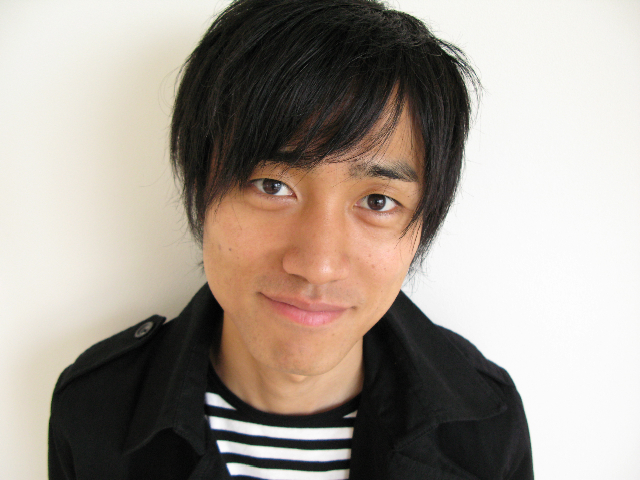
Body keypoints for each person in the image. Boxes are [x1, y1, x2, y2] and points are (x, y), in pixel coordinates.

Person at [48, 0, 534, 478]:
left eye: (378, 201)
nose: (318, 264)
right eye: (272, 186)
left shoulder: (486, 426)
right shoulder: (94, 412)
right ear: (200, 188)